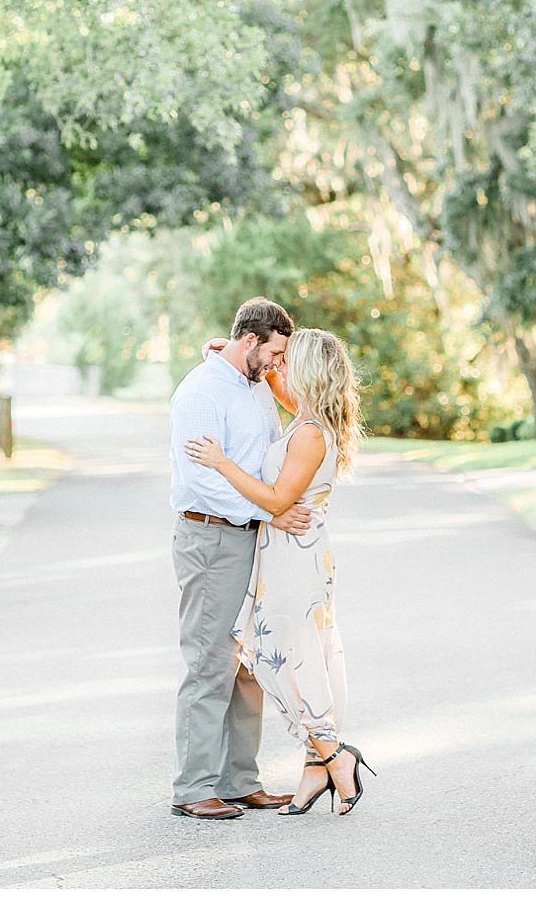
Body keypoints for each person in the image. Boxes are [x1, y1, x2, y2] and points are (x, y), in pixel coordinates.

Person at [185, 327, 374, 816]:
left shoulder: (310, 433)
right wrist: (223, 354)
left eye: (288, 360)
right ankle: (315, 767)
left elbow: (275, 500)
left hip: (294, 560)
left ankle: (334, 755)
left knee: (286, 657)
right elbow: (268, 379)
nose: (278, 367)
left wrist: (222, 462)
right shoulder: (307, 417)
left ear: (308, 370)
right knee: (279, 655)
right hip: (288, 556)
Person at [166, 297, 312, 820]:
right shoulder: (202, 391)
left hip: (254, 536)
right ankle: (194, 787)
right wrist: (270, 512)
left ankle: (238, 780)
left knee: (249, 662)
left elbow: (274, 451)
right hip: (212, 537)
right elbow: (201, 480)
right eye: (273, 352)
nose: (277, 364)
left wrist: (273, 511)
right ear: (250, 340)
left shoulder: (257, 388)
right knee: (210, 662)